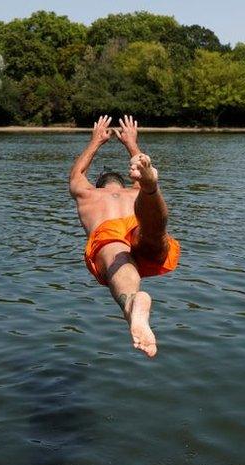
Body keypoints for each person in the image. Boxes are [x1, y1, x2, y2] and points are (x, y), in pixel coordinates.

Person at [69, 115, 181, 357]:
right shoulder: (133, 192)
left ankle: (131, 302)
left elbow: (77, 174)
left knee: (116, 258)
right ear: (124, 183)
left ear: (99, 185)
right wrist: (131, 143)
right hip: (137, 223)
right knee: (154, 232)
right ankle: (152, 189)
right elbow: (139, 165)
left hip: (108, 232)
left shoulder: (89, 194)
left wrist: (95, 141)